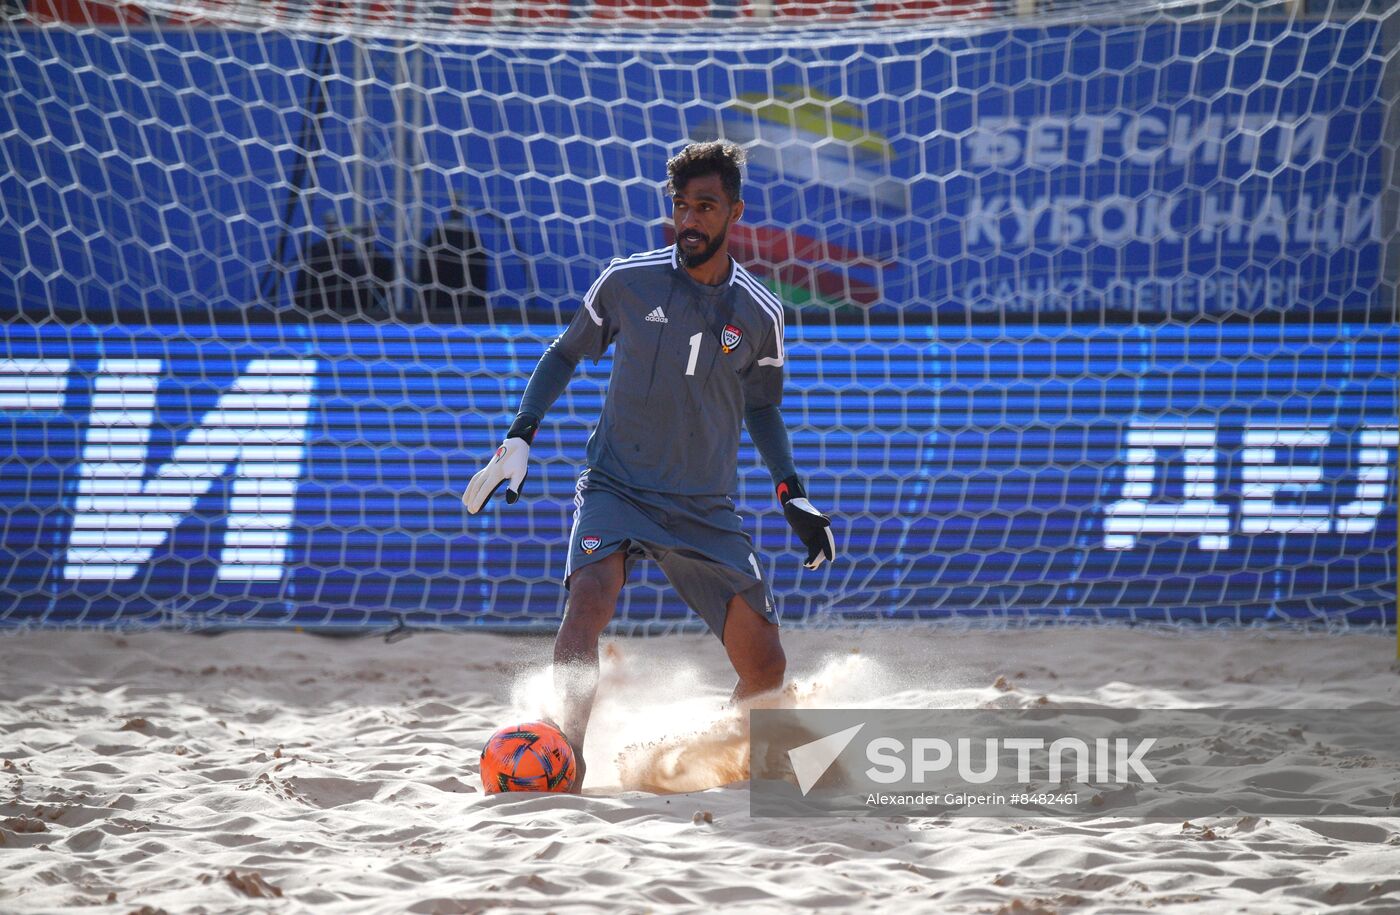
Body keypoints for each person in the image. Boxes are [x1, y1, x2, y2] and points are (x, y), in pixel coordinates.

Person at [462, 141, 836, 790]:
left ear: (734, 213)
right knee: (588, 601)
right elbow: (562, 354)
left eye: (705, 207)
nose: (689, 220)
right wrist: (519, 434)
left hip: (703, 507)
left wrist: (791, 492)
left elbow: (764, 409)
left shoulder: (760, 312)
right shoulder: (627, 282)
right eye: (681, 206)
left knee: (766, 666)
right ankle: (568, 758)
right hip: (617, 486)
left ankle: (712, 757)